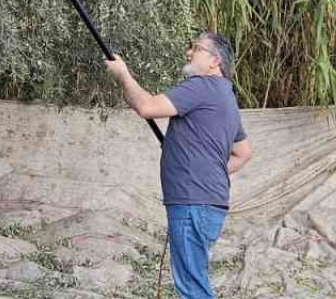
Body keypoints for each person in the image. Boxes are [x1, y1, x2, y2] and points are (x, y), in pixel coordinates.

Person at [104, 32, 253, 299]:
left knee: (192, 289)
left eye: (196, 48)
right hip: (206, 203)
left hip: (192, 204)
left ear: (215, 61)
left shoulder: (202, 86)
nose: (189, 52)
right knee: (193, 280)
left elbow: (147, 107)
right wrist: (204, 167)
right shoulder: (225, 97)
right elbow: (243, 153)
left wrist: (124, 75)